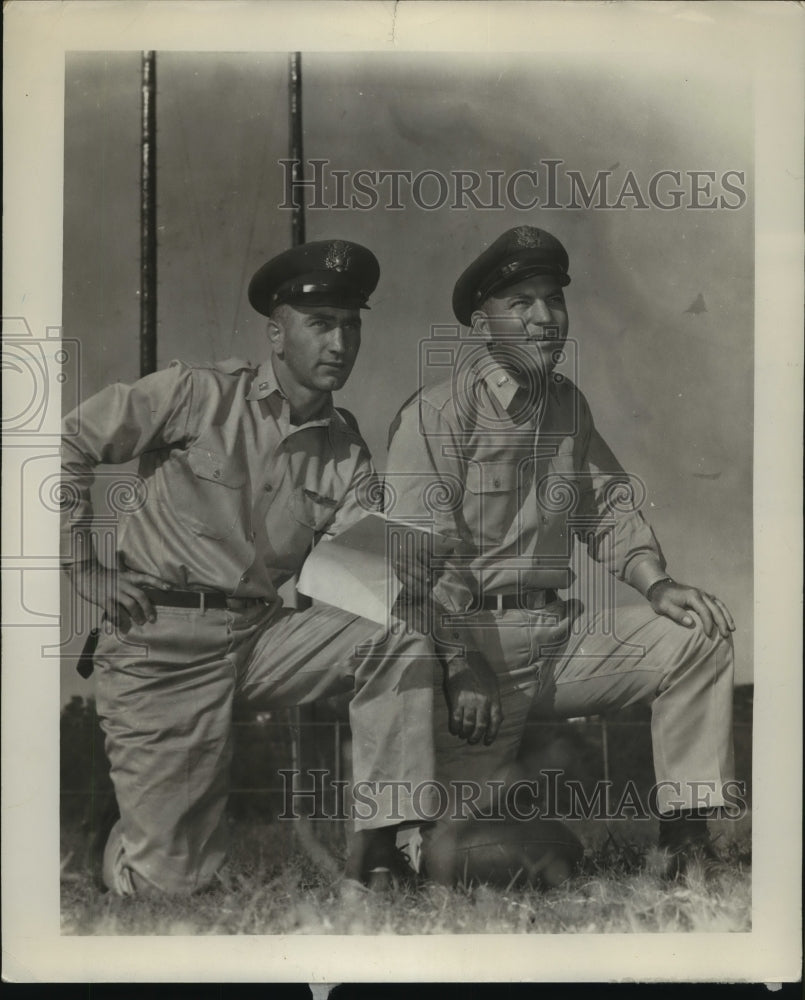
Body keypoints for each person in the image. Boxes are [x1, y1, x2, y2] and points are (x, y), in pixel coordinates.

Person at [61, 239, 441, 896]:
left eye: (351, 324)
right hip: (163, 640)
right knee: (169, 888)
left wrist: (419, 559)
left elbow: (354, 587)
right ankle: (117, 842)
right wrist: (81, 565)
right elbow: (65, 441)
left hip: (262, 640)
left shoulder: (345, 450)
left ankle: (381, 852)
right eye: (321, 324)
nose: (340, 343)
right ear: (276, 332)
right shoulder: (198, 395)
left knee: (397, 635)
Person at [384, 224, 737, 885]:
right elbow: (412, 559)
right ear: (482, 320)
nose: (544, 318)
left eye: (553, 299)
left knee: (696, 635)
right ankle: (451, 837)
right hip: (470, 655)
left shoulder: (568, 406)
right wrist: (460, 664)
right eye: (520, 303)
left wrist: (655, 583)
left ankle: (685, 844)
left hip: (556, 638)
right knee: (466, 862)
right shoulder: (435, 413)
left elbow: (603, 508)